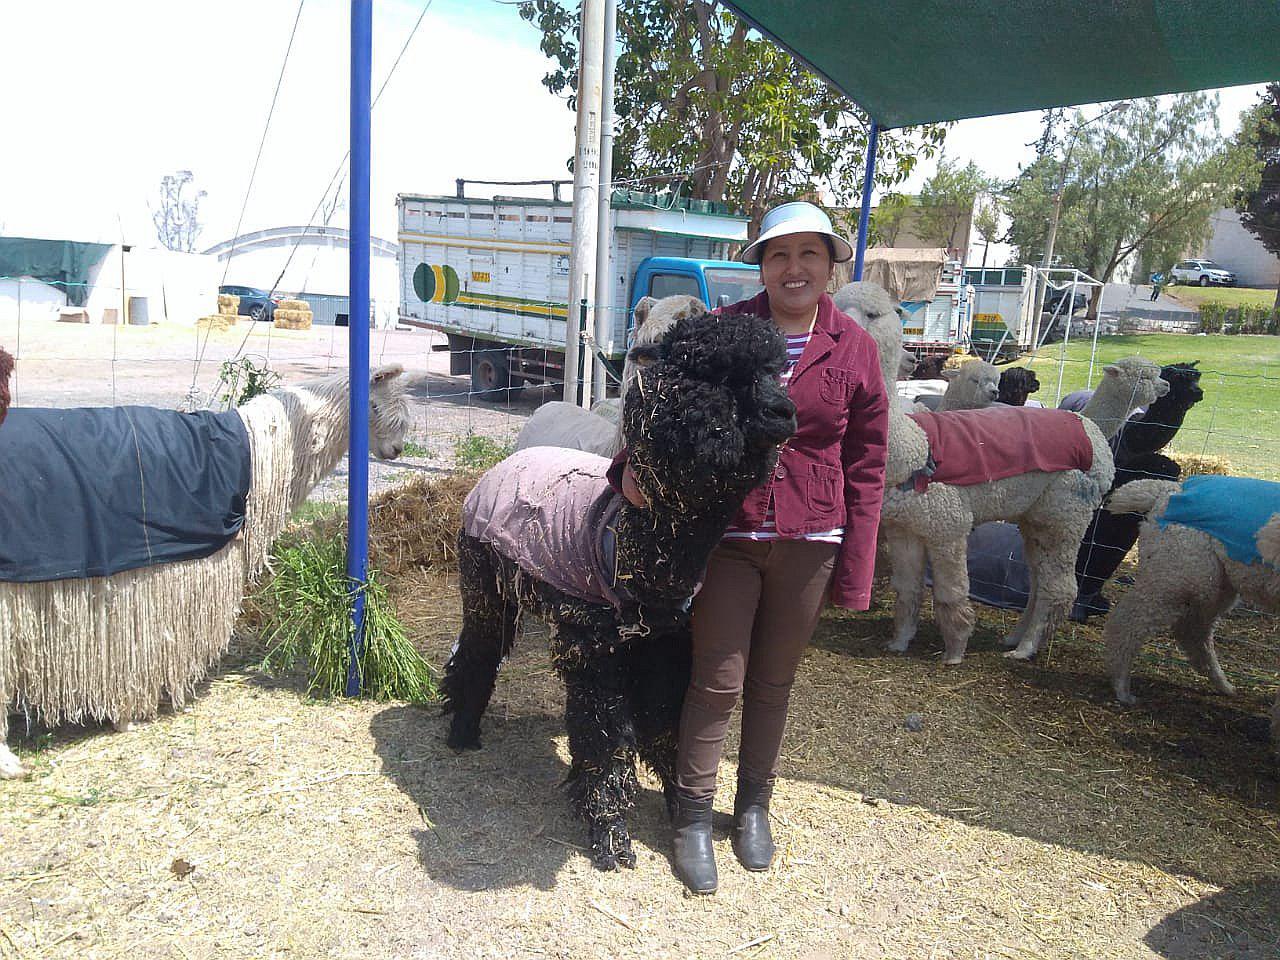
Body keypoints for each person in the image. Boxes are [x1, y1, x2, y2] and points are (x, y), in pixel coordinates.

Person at [612, 201, 889, 894]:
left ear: (830, 265)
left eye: (808, 255)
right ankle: (692, 816)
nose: (793, 268)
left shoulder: (853, 347)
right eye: (778, 255)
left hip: (811, 536)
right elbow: (661, 405)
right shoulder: (723, 332)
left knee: (774, 683)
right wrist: (629, 472)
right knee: (718, 678)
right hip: (729, 533)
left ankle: (755, 807)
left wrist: (856, 571)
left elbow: (868, 461)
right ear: (760, 265)